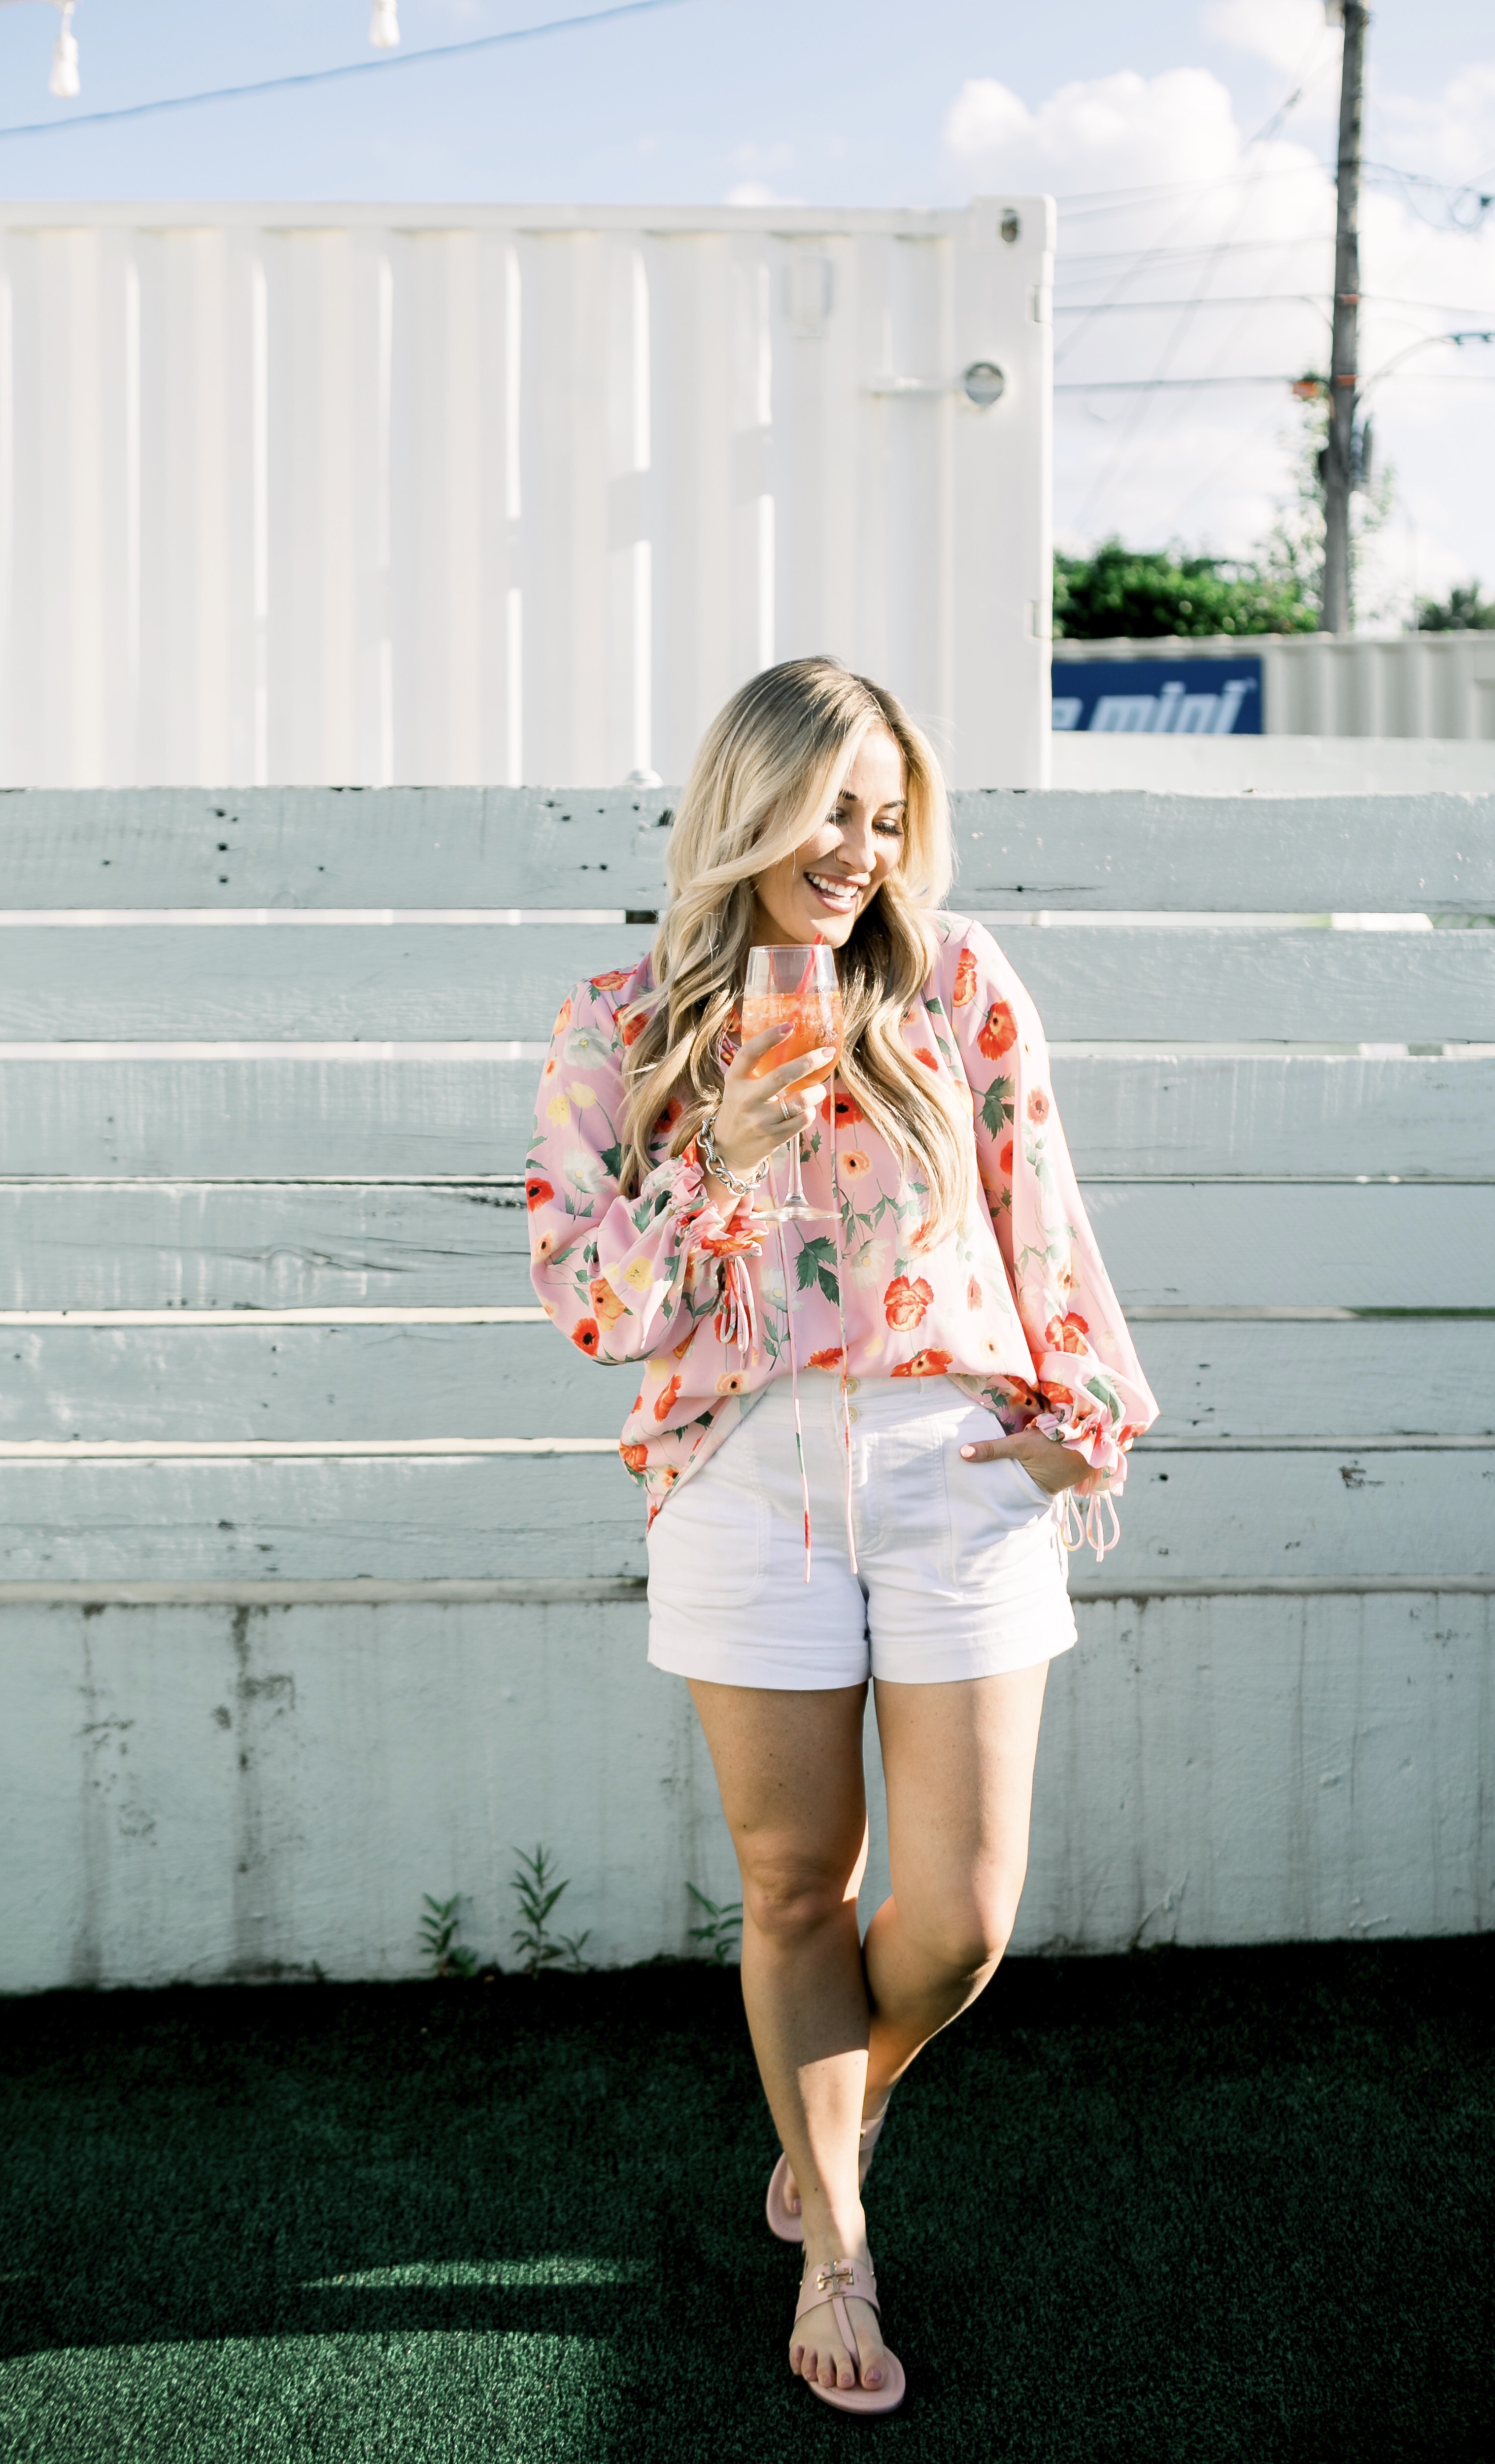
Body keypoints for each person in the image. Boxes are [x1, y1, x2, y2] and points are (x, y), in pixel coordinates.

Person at [525, 657, 1156, 2416]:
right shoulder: (622, 1022)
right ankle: (838, 2248)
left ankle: (845, 2100)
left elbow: (1038, 1194)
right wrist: (711, 1153)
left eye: (891, 818)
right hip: (741, 1472)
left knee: (955, 1919)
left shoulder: (957, 982)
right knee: (797, 1882)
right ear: (750, 803)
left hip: (954, 1458)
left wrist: (1078, 1409)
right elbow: (592, 1301)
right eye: (835, 810)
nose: (865, 849)